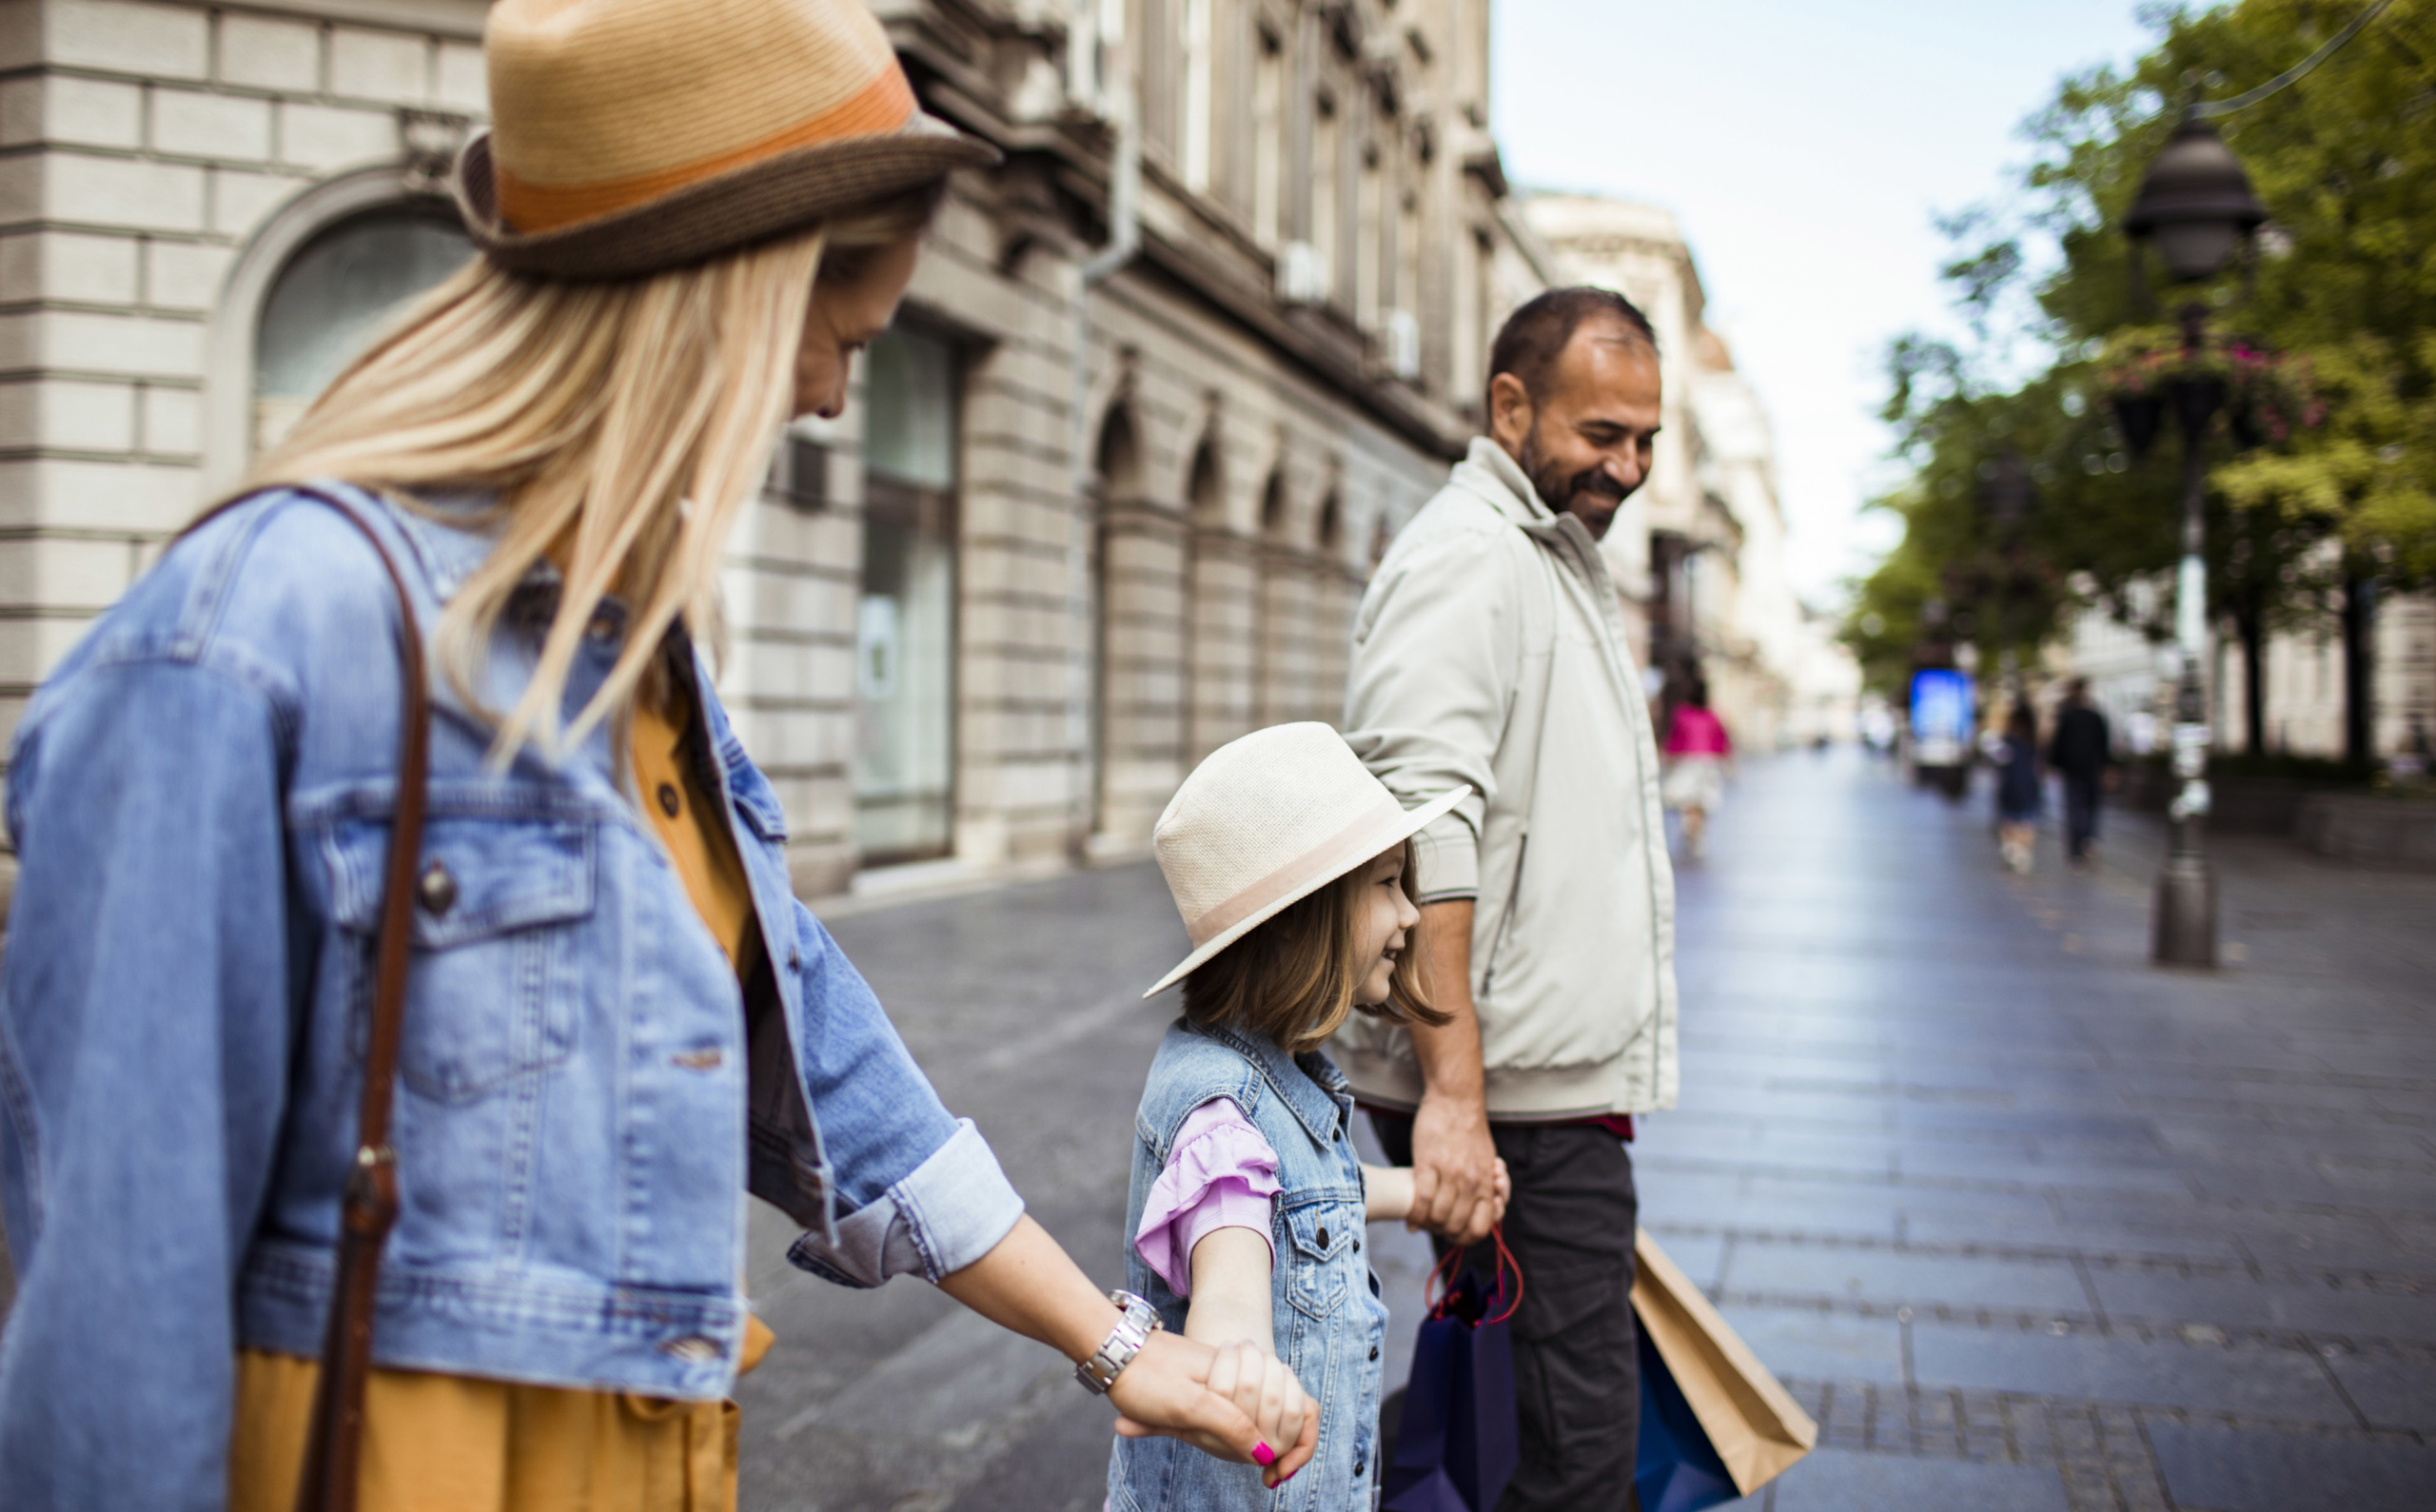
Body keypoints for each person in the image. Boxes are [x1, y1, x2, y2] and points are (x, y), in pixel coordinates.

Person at [0, 2, 1314, 1505]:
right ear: (725, 297)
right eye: (847, 337)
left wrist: (1115, 1346)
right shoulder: (250, 638)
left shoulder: (630, 651)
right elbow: (113, 1318)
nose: (831, 396)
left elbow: (814, 1035)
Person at [1336, 286, 1678, 1509]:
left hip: (1540, 1081)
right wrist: (1457, 1097)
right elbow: (1422, 831)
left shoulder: (1545, 555)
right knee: (1575, 1451)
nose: (1628, 465)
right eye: (1602, 434)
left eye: (1647, 438)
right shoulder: (1472, 557)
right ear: (1511, 405)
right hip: (1513, 1100)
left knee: (1539, 1418)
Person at [1109, 723, 1508, 1510]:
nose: (1412, 915)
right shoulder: (1221, 1119)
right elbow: (1231, 1263)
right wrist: (1238, 1353)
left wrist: (1417, 1193)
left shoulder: (1278, 1071)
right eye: (1388, 884)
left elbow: (1302, 1189)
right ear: (1298, 917)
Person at [1660, 677, 1735, 859]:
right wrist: (1728, 760)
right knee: (1702, 802)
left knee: (1688, 801)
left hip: (1688, 762)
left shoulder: (1682, 713)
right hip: (1709, 763)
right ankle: (1697, 834)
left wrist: (1667, 756)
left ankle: (1692, 831)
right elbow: (1721, 738)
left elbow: (1675, 738)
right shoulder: (1712, 715)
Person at [2048, 678, 2113, 863]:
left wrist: (2053, 764)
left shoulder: (2069, 716)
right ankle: (2085, 840)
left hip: (2076, 768)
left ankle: (2078, 844)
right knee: (2088, 806)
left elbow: (2058, 744)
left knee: (2075, 807)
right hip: (2088, 768)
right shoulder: (2094, 717)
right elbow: (2104, 745)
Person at [1995, 701, 2044, 874]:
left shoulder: (2009, 739)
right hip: (2028, 786)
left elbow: (2001, 763)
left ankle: (2012, 849)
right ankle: (2020, 852)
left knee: (2010, 820)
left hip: (2011, 787)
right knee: (2026, 821)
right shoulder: (2033, 740)